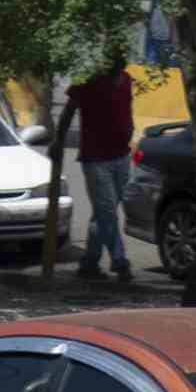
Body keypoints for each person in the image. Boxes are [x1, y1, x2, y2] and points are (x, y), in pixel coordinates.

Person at [71, 61, 139, 282]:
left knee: (102, 212)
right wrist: (56, 142)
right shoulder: (88, 80)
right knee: (108, 211)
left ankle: (89, 262)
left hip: (121, 156)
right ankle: (120, 262)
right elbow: (68, 110)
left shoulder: (127, 80)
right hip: (96, 158)